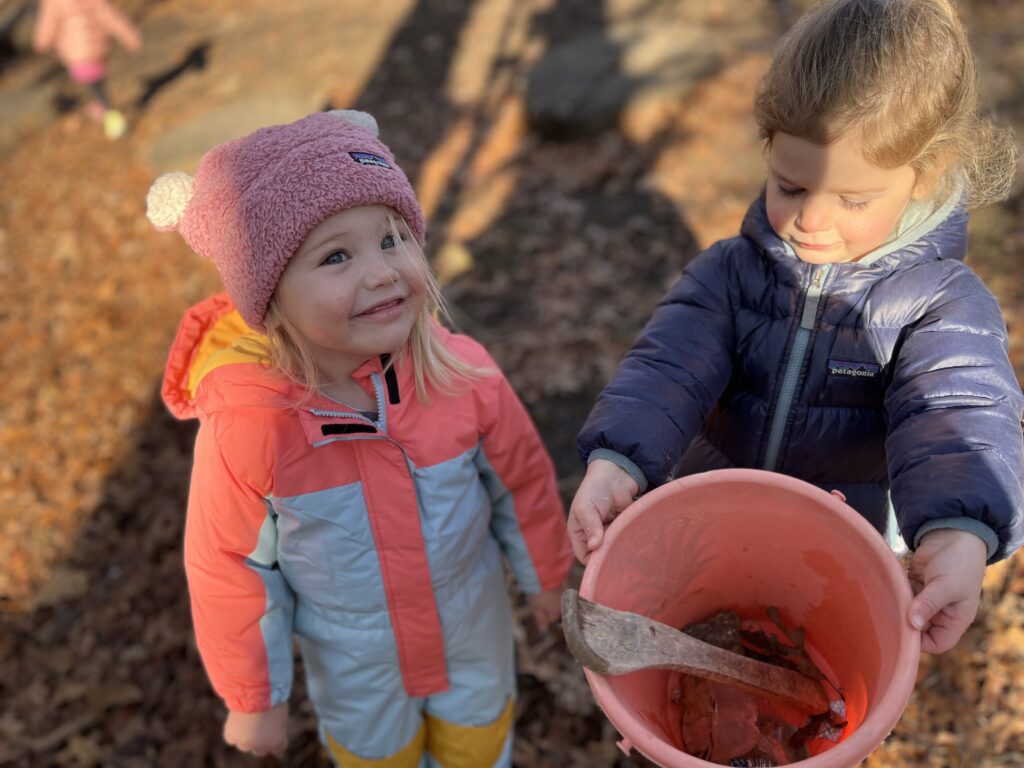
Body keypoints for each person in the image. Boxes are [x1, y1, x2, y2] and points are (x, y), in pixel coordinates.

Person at [569, 0, 1023, 657]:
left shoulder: (940, 303)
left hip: (840, 548)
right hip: (714, 517)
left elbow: (956, 407)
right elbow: (666, 365)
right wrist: (619, 458)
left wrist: (957, 530)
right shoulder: (731, 272)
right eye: (789, 186)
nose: (811, 221)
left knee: (817, 670)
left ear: (927, 176)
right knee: (704, 652)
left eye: (853, 199)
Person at [147, 109, 572, 766]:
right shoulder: (251, 428)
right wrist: (255, 698)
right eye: (337, 255)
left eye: (393, 238)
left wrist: (544, 571)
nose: (380, 272)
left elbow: (520, 477)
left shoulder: (461, 373)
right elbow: (231, 567)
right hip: (354, 661)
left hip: (471, 627)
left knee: (480, 738)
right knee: (377, 754)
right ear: (271, 298)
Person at [32, 0, 141, 140]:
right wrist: (129, 35)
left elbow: (48, 23)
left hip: (76, 51)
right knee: (96, 80)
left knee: (92, 84)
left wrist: (42, 42)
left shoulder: (53, 2)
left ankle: (111, 115)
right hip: (99, 47)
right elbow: (110, 15)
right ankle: (102, 105)